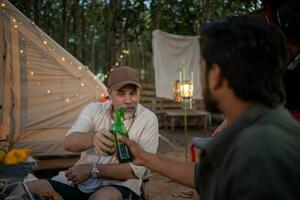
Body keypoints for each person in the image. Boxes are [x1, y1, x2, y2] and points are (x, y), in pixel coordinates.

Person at [120, 16, 300, 200]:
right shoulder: (265, 128)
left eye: (201, 68)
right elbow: (208, 176)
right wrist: (145, 157)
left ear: (215, 75)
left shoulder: (257, 153)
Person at [19, 66, 159, 200]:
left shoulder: (148, 119)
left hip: (119, 184)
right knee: (25, 189)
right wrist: (92, 138)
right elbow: (69, 143)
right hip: (79, 181)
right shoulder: (94, 110)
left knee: (103, 197)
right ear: (110, 93)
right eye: (121, 93)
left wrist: (93, 170)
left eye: (133, 93)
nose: (128, 100)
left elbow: (136, 170)